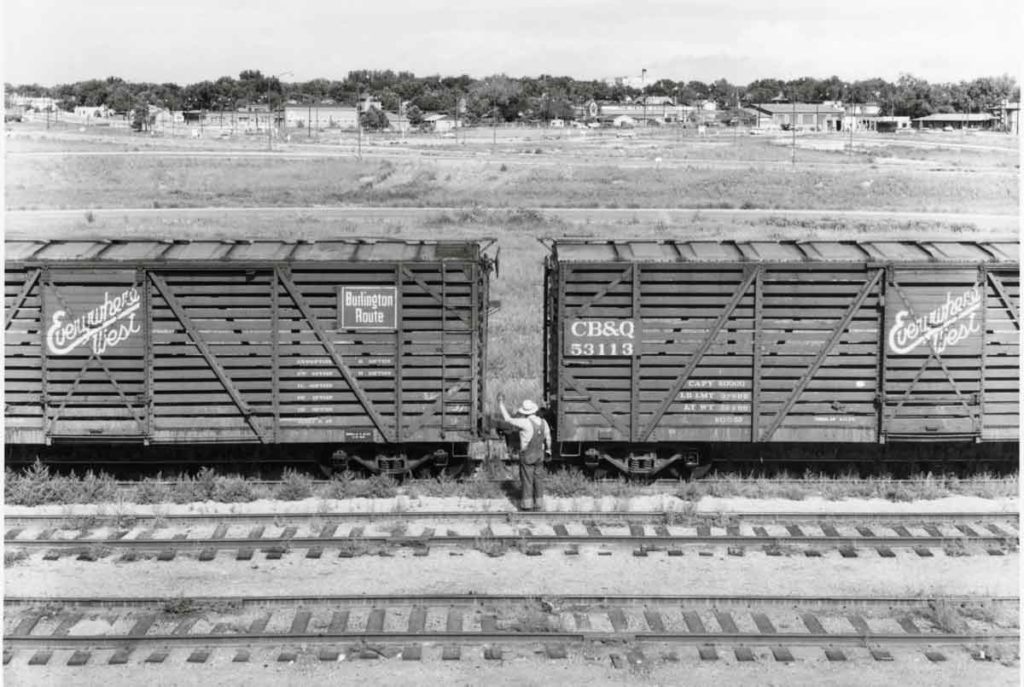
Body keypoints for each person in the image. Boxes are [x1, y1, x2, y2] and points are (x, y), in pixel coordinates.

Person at [497, 393, 551, 511]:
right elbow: (548, 438)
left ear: (525, 412)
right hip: (540, 455)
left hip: (527, 455)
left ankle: (527, 505)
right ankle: (539, 504)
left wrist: (501, 404)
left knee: (527, 479)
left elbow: (508, 419)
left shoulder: (524, 422)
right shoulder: (543, 422)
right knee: (538, 479)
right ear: (535, 410)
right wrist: (549, 450)